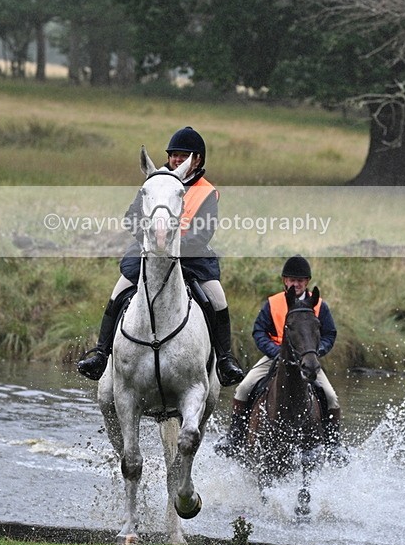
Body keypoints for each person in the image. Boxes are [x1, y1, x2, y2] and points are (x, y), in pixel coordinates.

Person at [77, 126, 245, 387]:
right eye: (174, 155)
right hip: (148, 252)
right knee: (118, 292)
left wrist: (172, 246)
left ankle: (224, 360)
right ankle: (100, 354)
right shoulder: (154, 181)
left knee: (218, 300)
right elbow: (132, 217)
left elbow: (204, 232)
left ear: (197, 160)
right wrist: (150, 241)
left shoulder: (207, 191)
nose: (177, 159)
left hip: (192, 257)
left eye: (184, 156)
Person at [216, 254, 349, 463]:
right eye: (292, 280)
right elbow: (259, 331)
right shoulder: (273, 303)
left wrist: (314, 352)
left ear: (307, 282)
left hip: (306, 359)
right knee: (243, 388)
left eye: (300, 280)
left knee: (331, 397)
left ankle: (334, 446)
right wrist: (275, 351)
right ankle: (234, 438)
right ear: (284, 280)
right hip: (276, 356)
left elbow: (329, 334)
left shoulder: (319, 306)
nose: (296, 284)